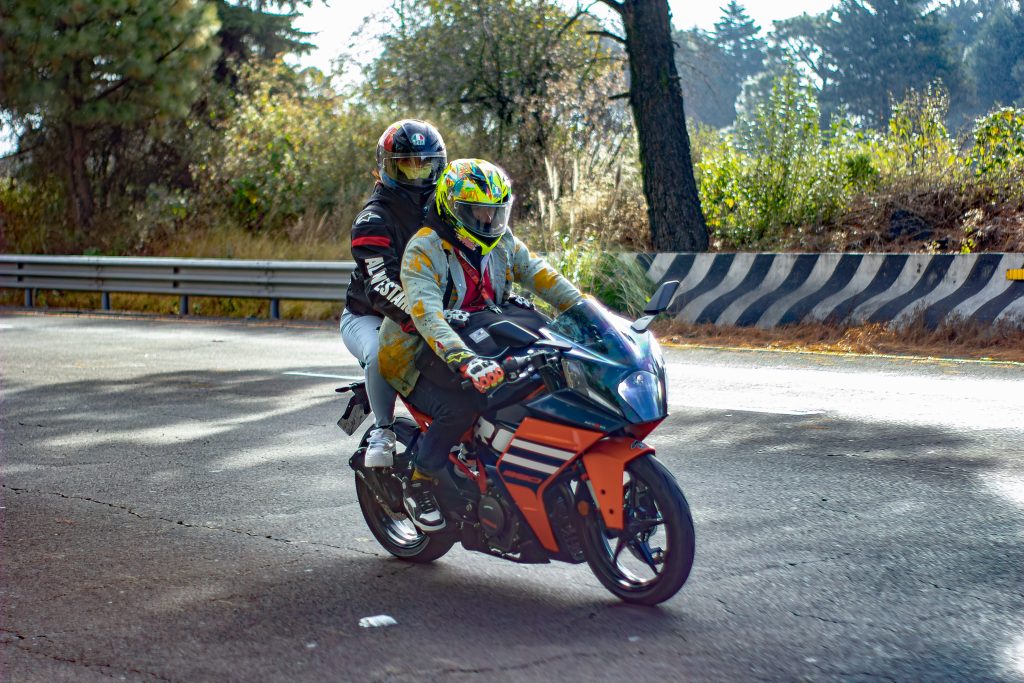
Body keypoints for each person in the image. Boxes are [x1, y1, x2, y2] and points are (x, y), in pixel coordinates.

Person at [378, 159, 583, 531]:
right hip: (416, 353)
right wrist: (465, 361)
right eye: (477, 211)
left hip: (480, 337)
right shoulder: (424, 249)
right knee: (459, 408)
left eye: (495, 211)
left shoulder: (502, 243)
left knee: (542, 379)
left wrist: (586, 311)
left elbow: (543, 276)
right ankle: (420, 485)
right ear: (451, 208)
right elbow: (428, 318)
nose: (487, 220)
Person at [341, 120, 447, 467]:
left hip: (429, 308)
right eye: (406, 165)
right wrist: (426, 320)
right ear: (387, 167)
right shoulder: (372, 219)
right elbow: (381, 287)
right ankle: (382, 431)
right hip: (368, 315)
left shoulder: (443, 209)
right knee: (379, 353)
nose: (417, 174)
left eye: (424, 165)